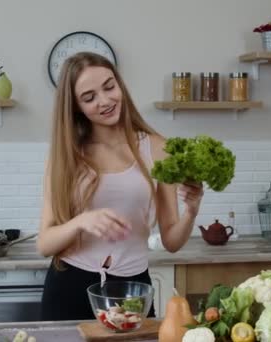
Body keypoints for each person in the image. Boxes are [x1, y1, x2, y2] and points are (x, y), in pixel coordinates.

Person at [37, 52, 205, 321]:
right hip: (69, 286)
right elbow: (45, 243)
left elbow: (172, 241)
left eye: (109, 86)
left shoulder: (157, 148)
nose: (105, 101)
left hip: (132, 290)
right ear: (76, 107)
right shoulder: (66, 156)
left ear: (120, 85)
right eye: (89, 97)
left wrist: (191, 212)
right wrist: (82, 221)